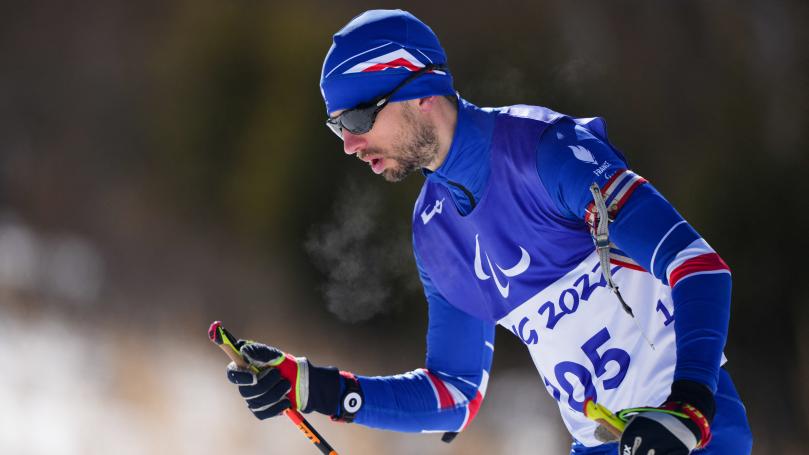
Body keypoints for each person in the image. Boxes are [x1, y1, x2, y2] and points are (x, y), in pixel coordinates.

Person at [224, 9, 753, 455]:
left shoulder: (545, 152)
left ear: (420, 91)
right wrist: (318, 388)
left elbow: (697, 265)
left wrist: (688, 409)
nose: (349, 143)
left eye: (358, 119)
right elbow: (455, 392)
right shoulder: (435, 233)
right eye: (337, 126)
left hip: (691, 434)